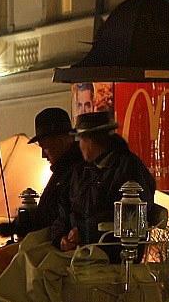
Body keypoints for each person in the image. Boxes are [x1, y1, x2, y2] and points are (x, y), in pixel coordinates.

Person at [64, 108, 160, 253]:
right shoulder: (83, 170)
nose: (79, 146)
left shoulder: (129, 169)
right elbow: (66, 207)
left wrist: (84, 233)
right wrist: (61, 236)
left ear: (90, 140)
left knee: (41, 267)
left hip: (110, 250)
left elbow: (130, 217)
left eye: (81, 140)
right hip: (82, 246)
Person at [0, 108, 88, 243]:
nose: (43, 155)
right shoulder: (64, 171)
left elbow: (57, 216)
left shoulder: (76, 171)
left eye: (45, 147)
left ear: (61, 141)